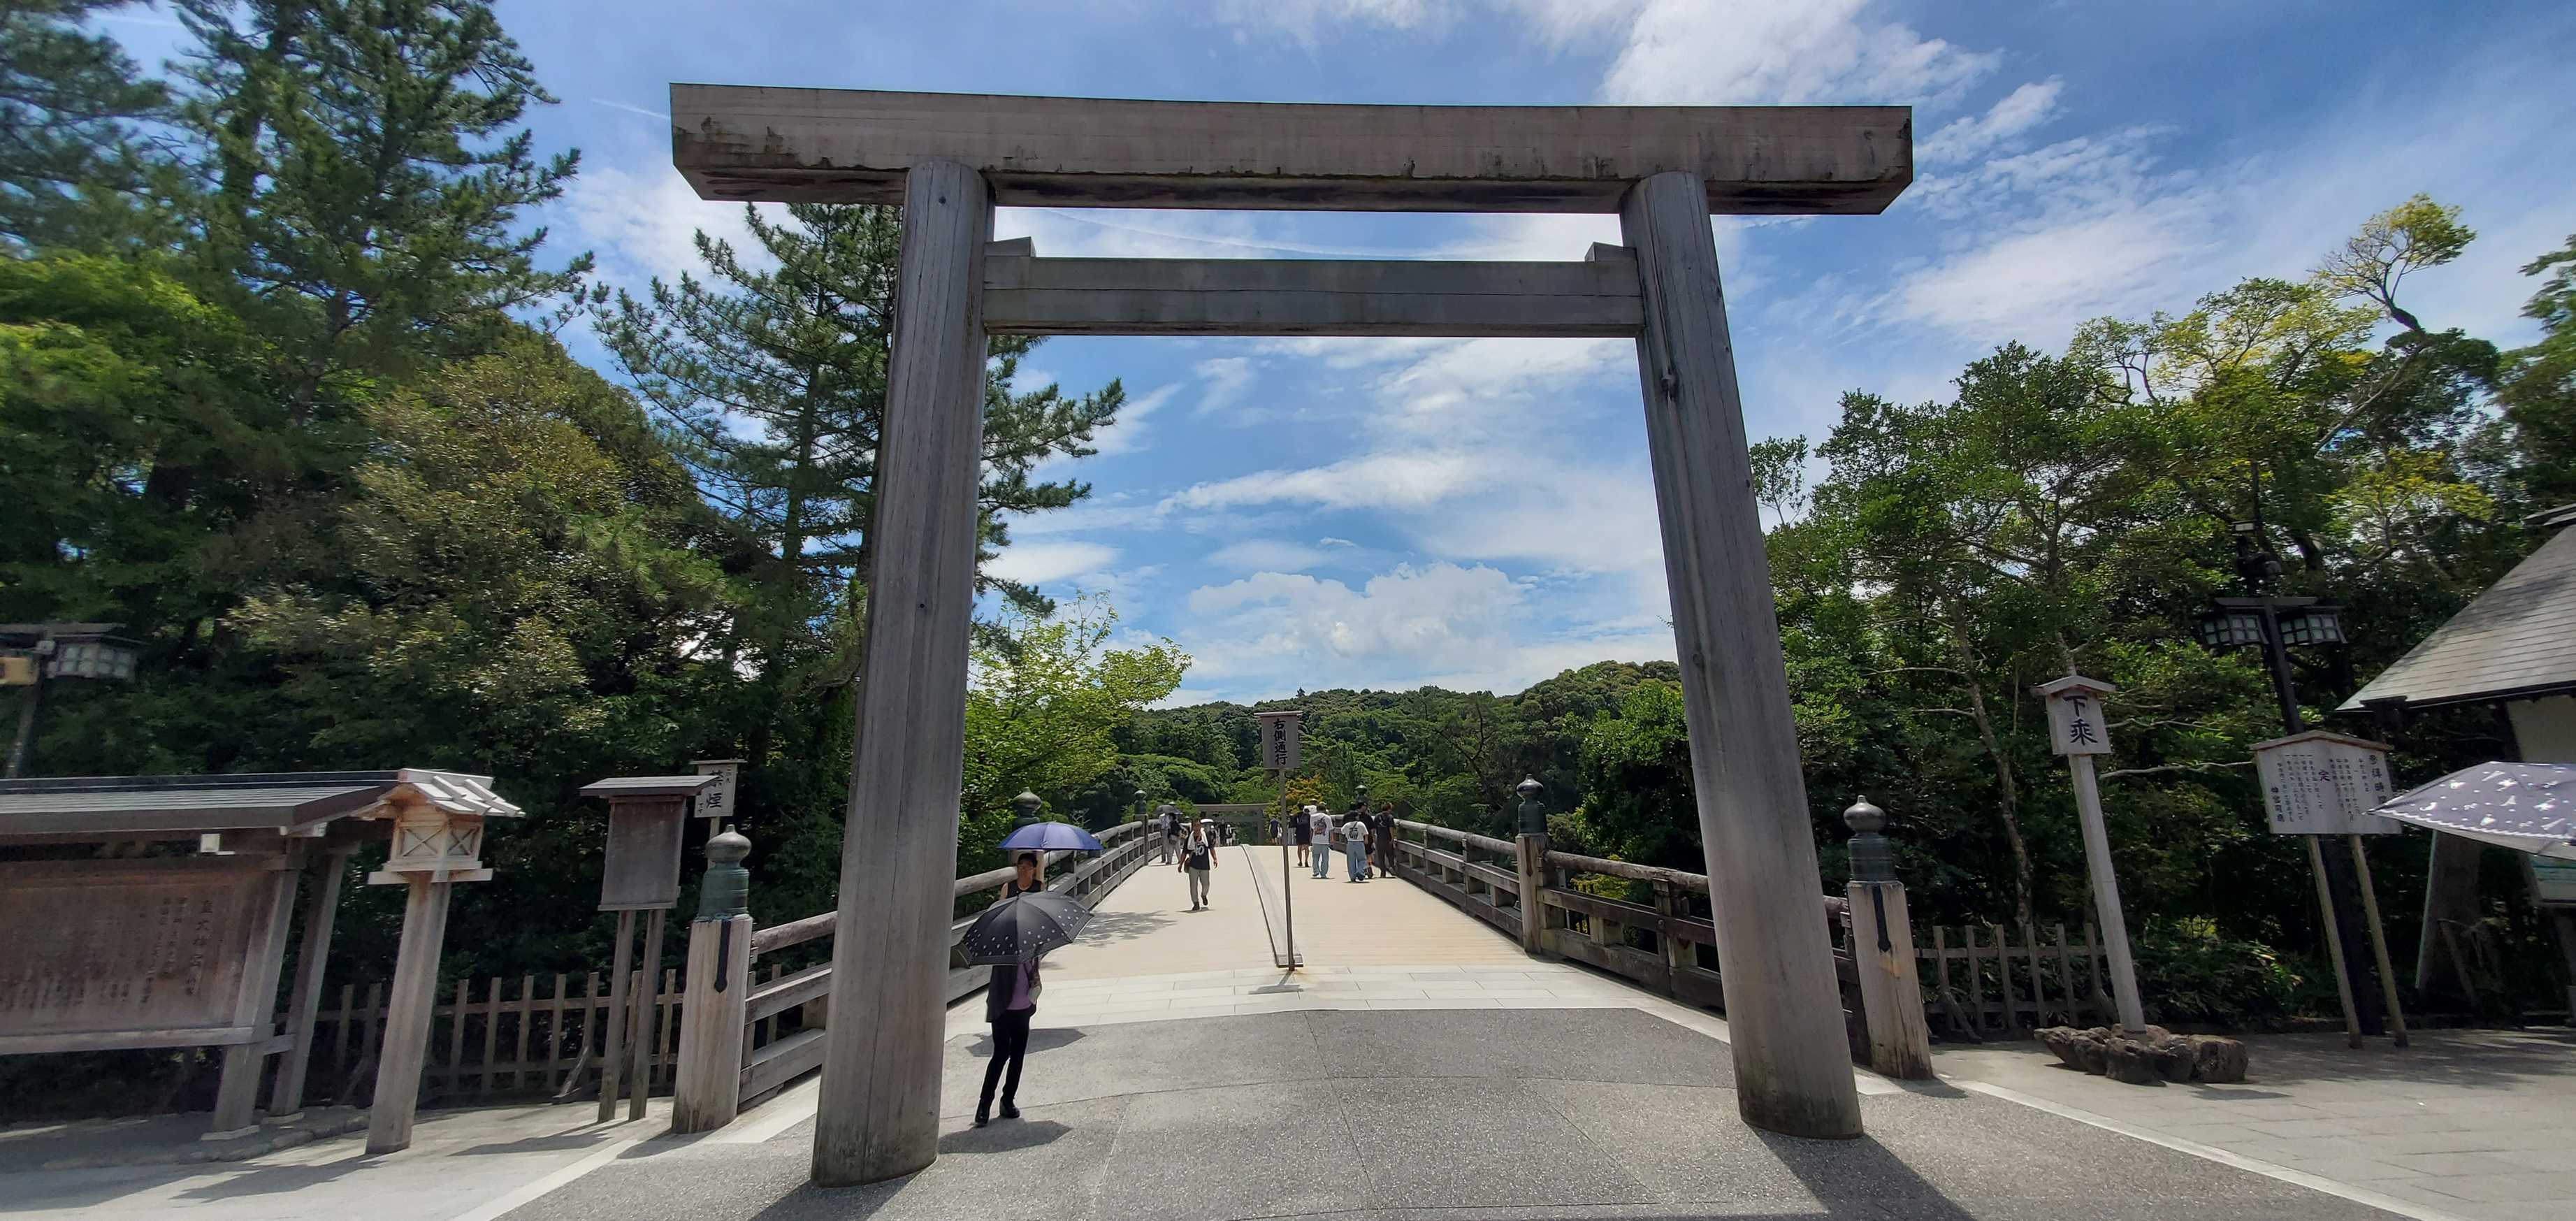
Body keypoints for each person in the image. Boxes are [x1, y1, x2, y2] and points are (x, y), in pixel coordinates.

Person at [977, 950, 1039, 1127]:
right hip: (1003, 1010)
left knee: (1018, 1056)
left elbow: (1034, 974)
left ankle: (1008, 1100)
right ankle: (984, 1104)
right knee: (1001, 1055)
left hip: (1024, 1008)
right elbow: (997, 984)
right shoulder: (1005, 950)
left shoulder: (1033, 948)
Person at [1180, 821, 1217, 909]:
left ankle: (1204, 895)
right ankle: (1195, 902)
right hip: (1193, 865)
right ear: (1192, 827)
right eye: (1195, 826)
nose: (1196, 828)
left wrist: (1215, 858)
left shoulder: (1205, 836)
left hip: (1204, 865)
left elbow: (1211, 848)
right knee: (1193, 885)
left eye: (1198, 826)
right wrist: (1180, 864)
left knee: (1206, 884)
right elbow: (1185, 852)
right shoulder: (1190, 838)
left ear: (1201, 826)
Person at [1343, 809, 1370, 881]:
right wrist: (1366, 840)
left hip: (1350, 843)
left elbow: (1342, 832)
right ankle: (1359, 871)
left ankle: (1352, 876)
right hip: (1359, 843)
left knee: (1351, 860)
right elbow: (1366, 833)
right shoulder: (1361, 824)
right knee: (1362, 859)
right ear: (1356, 817)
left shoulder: (1347, 825)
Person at [1309, 805, 1333, 878]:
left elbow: (1312, 827)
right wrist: (1332, 839)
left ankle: (1316, 870)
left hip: (1315, 840)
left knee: (1315, 857)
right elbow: (1331, 829)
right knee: (1325, 858)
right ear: (1325, 810)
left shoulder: (1312, 817)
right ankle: (1324, 873)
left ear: (1317, 809)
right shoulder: (1328, 817)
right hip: (1325, 841)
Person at [1294, 802, 1312, 868]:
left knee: (1299, 847)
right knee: (1306, 847)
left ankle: (1300, 861)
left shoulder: (1296, 816)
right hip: (1306, 831)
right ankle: (1306, 860)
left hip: (1299, 832)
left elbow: (1294, 824)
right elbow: (1311, 824)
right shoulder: (1308, 816)